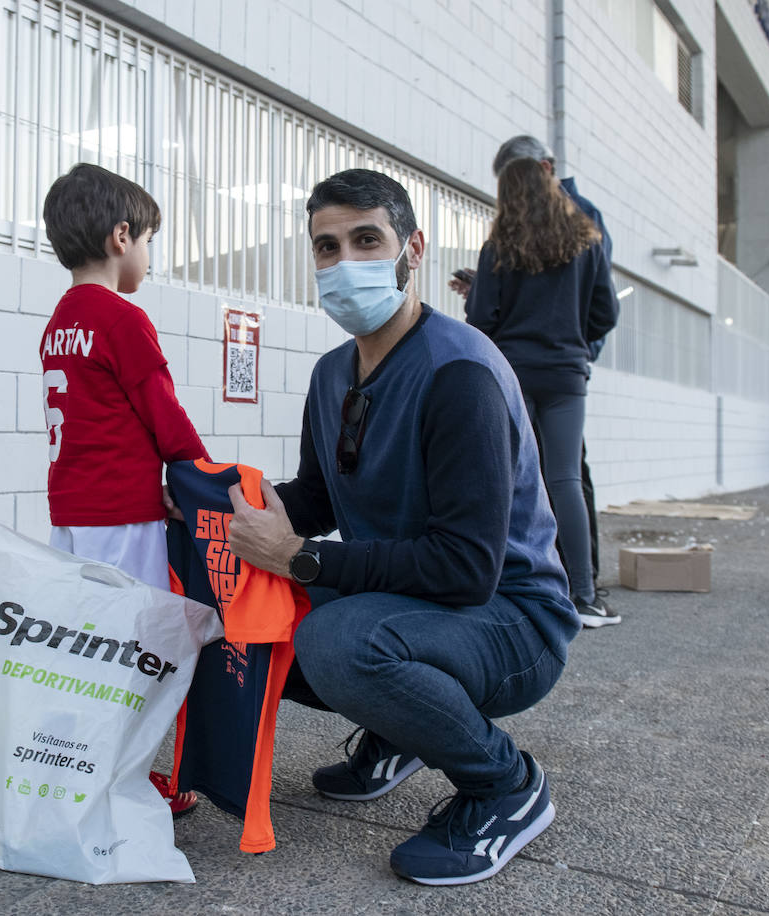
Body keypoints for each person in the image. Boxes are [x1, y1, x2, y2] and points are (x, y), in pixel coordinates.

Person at [224, 168, 580, 885]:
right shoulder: (333, 376)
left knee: (335, 640)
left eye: (366, 239)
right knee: (240, 601)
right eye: (327, 247)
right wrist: (220, 506)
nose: (345, 262)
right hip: (421, 608)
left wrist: (302, 560)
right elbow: (321, 495)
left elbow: (464, 568)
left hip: (511, 620)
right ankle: (399, 730)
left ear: (412, 248)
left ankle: (504, 785)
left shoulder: (459, 374)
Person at [39, 162, 209, 816]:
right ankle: (119, 784)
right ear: (120, 236)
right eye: (147, 242)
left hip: (75, 517)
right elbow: (159, 409)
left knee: (85, 646)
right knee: (134, 653)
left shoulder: (62, 320)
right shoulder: (122, 318)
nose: (147, 257)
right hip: (123, 518)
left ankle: (82, 769)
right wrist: (199, 478)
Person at [452, 135, 611, 594]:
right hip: (565, 373)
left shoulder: (500, 244)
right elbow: (606, 313)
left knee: (507, 475)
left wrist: (485, 295)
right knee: (565, 479)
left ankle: (504, 586)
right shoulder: (587, 237)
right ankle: (582, 594)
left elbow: (483, 317)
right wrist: (572, 342)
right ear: (545, 172)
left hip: (515, 373)